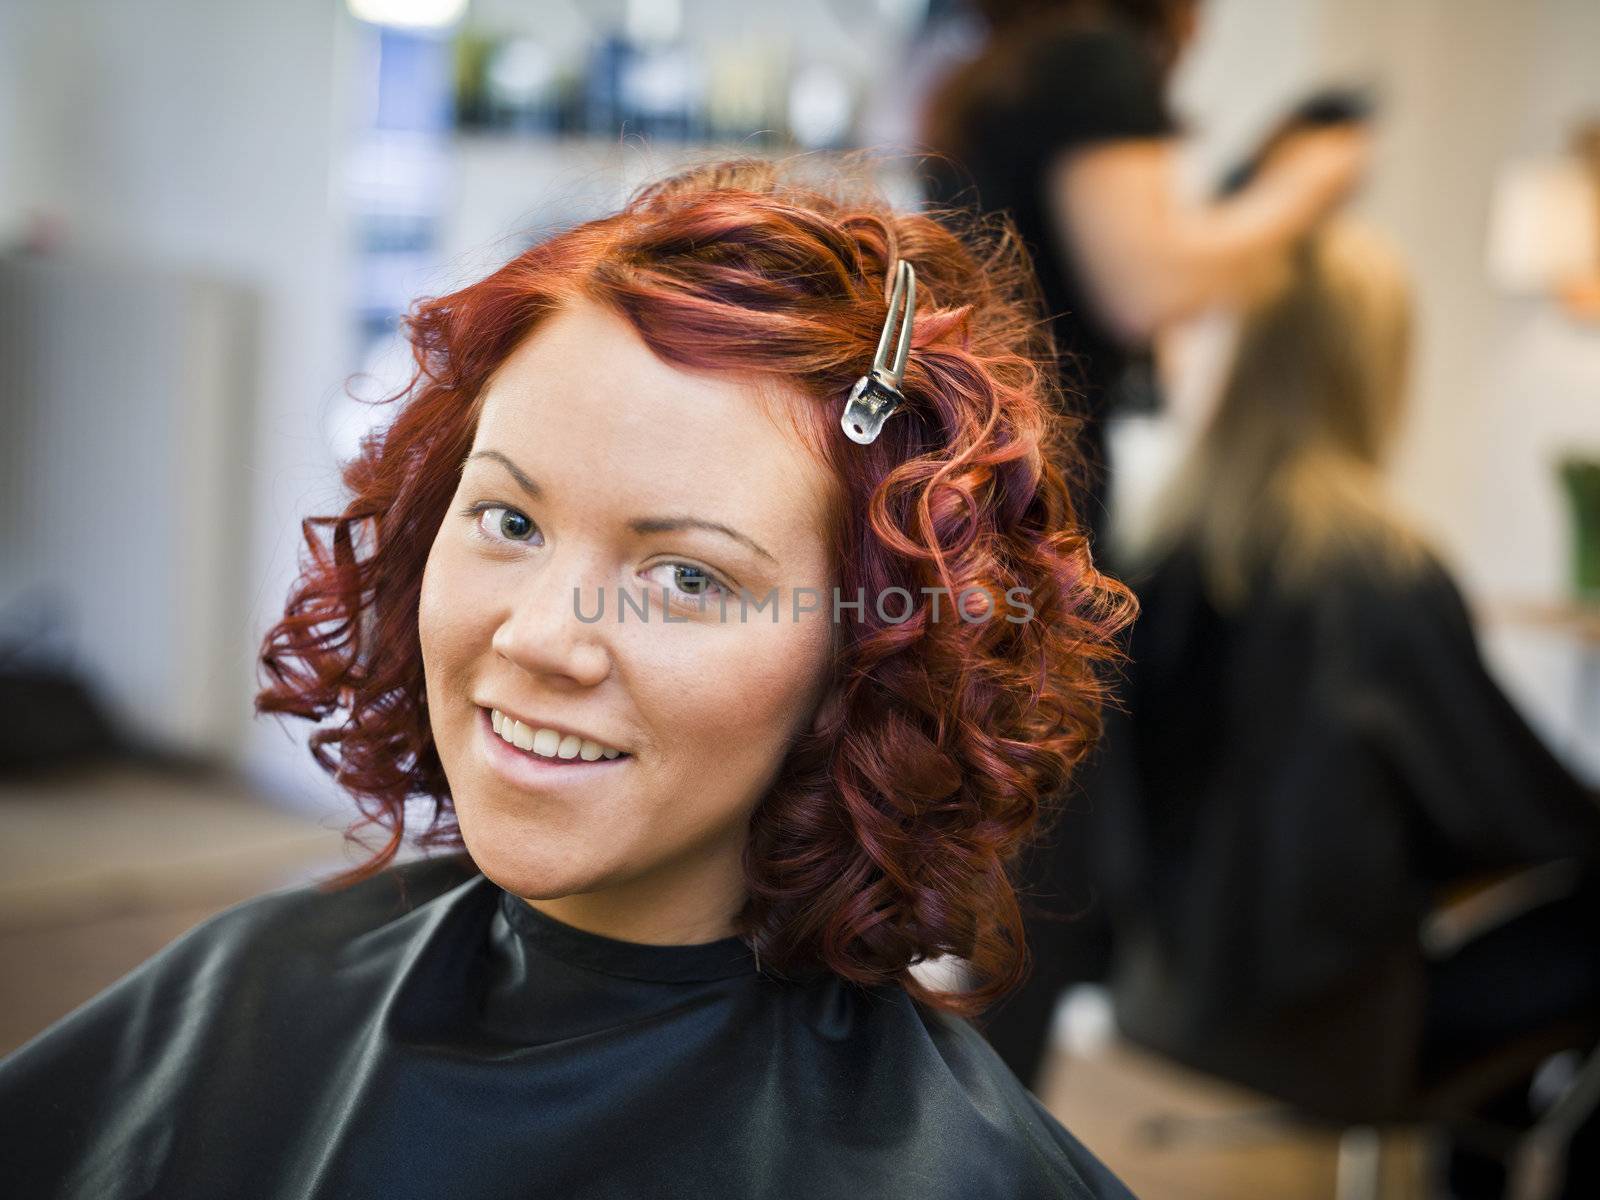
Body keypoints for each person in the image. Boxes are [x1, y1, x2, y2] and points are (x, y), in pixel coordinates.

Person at [0, 156, 1141, 1199]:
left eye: (688, 578)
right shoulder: (243, 1002)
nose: (543, 636)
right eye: (507, 517)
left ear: (872, 661)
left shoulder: (953, 1173)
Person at [917, 0, 1369, 1086]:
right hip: (1032, 505)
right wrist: (1300, 190)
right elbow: (1140, 285)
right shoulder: (1092, 65)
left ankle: (945, 1146)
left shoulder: (991, 60)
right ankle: (959, 1159)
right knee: (1045, 888)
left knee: (1017, 878)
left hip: (977, 491)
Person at [1091, 219, 1600, 1148]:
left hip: (1164, 1001)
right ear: (1375, 368)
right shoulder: (1375, 570)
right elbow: (1513, 815)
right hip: (1326, 1033)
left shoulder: (1154, 558)